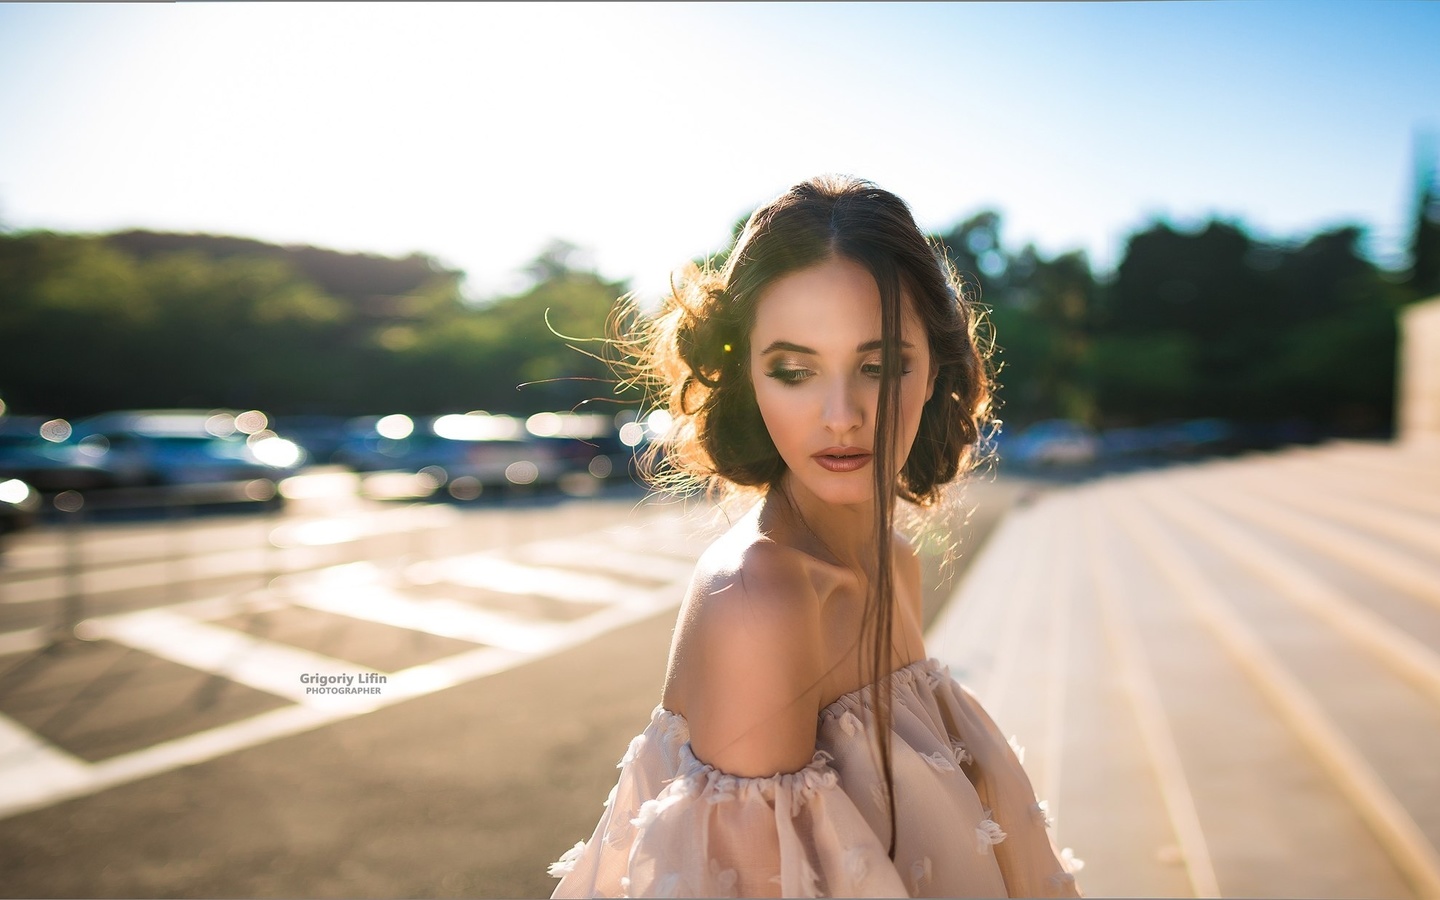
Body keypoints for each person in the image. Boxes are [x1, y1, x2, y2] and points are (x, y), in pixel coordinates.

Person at [548, 176, 1083, 898]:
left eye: (881, 364)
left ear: (934, 374)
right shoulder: (760, 597)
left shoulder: (894, 564)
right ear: (746, 379)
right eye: (794, 370)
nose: (841, 414)